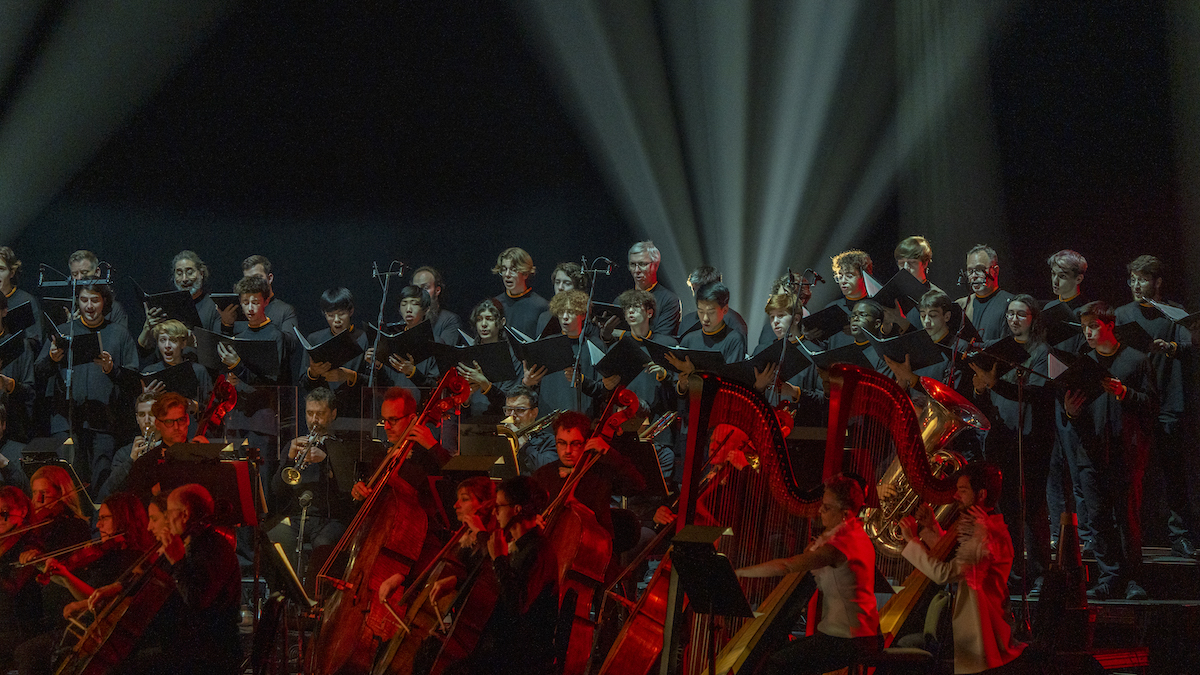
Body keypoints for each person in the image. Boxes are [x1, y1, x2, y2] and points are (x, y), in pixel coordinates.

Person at [735, 476, 881, 675]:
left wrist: (738, 573)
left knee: (776, 663)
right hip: (861, 635)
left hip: (847, 640)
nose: (820, 511)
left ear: (845, 514)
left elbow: (786, 566)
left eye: (827, 508)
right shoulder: (856, 534)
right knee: (779, 654)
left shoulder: (837, 548)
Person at [899, 462, 1028, 674]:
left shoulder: (984, 533)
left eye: (962, 490)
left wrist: (911, 540)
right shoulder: (984, 526)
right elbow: (961, 564)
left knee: (905, 646)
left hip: (980, 633)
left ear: (981, 494)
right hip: (971, 625)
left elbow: (945, 574)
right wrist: (932, 528)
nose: (955, 497)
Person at [1065, 302, 1156, 601]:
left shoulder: (1136, 360)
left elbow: (1152, 405)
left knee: (1127, 518)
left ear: (1110, 325)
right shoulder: (1084, 364)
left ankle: (1134, 579)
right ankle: (1109, 577)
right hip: (1090, 453)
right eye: (1084, 328)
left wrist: (1124, 392)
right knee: (1098, 518)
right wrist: (1071, 412)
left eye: (1093, 326)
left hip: (1125, 452)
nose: (1087, 333)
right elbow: (1076, 410)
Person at [967, 294, 1053, 595]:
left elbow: (1036, 393)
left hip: (1031, 439)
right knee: (1006, 508)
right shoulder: (998, 351)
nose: (1013, 319)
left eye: (1021, 314)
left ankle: (1041, 571)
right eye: (1010, 314)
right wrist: (981, 389)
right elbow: (987, 395)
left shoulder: (1043, 351)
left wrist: (994, 384)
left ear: (1033, 318)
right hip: (1001, 435)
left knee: (1031, 507)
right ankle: (1015, 570)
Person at [1114, 255, 1197, 560]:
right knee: (1129, 476)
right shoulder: (1122, 314)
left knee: (1173, 474)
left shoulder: (1174, 314)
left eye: (1143, 279)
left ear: (1158, 282)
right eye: (1132, 279)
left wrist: (1171, 347)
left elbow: (1191, 344)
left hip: (1167, 403)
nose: (1136, 285)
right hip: (1135, 403)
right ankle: (1130, 539)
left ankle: (1181, 536)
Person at [442, 475, 559, 675]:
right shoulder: (519, 546)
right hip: (500, 645)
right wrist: (457, 582)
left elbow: (517, 604)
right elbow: (496, 588)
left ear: (517, 510)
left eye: (499, 506)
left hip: (519, 657)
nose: (495, 512)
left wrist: (499, 559)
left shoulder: (538, 551)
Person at [35, 282, 138, 492]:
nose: (89, 306)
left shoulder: (118, 334)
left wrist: (112, 369)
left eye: (95, 300)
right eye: (84, 300)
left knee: (101, 478)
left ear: (104, 302)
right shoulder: (64, 332)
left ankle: (99, 523)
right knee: (68, 480)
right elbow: (38, 373)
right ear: (77, 302)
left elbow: (134, 382)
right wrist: (53, 359)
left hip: (104, 422)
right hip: (67, 420)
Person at [269, 387, 353, 587]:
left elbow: (349, 490)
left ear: (332, 414)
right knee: (273, 536)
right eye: (310, 413)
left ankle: (314, 599)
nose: (314, 420)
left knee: (323, 546)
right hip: (297, 517)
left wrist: (326, 461)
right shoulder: (295, 445)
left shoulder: (342, 447)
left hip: (330, 518)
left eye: (320, 414)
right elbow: (276, 490)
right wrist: (289, 459)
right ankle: (284, 594)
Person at [12, 466, 90, 671]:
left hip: (54, 609)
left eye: (44, 493)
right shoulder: (31, 526)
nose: (36, 499)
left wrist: (40, 556)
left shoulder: (74, 526)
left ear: (62, 493)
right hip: (28, 607)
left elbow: (63, 569)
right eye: (34, 493)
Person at [531, 411, 644, 537]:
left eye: (575, 444)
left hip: (597, 547)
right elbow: (527, 510)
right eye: (562, 443)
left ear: (587, 442)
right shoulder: (543, 475)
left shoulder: (600, 472)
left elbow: (637, 485)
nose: (568, 451)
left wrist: (609, 453)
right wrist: (531, 519)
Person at [300, 287, 371, 421]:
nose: (336, 320)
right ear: (324, 314)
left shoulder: (364, 338)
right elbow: (304, 384)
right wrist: (313, 373)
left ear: (351, 311)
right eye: (331, 315)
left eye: (341, 314)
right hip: (322, 414)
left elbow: (374, 384)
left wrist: (350, 376)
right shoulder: (315, 339)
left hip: (355, 413)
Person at [0, 487, 41, 670]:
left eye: (4, 513)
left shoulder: (30, 544)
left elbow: (12, 589)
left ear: (23, 511)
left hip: (17, 626)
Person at [141, 319, 213, 409]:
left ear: (183, 344)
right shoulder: (149, 372)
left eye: (173, 340)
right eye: (162, 340)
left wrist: (194, 406)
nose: (167, 345)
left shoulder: (198, 371)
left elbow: (210, 406)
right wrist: (147, 398)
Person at [102, 392, 157, 500]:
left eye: (151, 414)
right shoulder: (124, 453)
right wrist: (131, 460)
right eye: (142, 415)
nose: (146, 421)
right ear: (137, 418)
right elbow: (112, 487)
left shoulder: (169, 448)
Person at [956, 245, 1015, 343]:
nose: (974, 276)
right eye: (970, 271)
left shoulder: (1011, 304)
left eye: (979, 269)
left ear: (995, 271)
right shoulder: (961, 305)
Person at [0, 292, 35, 442]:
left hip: (13, 432)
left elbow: (31, 393)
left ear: (4, 311)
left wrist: (10, 385)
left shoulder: (19, 345)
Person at [234, 254, 298, 334]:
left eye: (257, 277)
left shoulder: (285, 310)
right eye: (248, 279)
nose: (253, 283)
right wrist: (226, 324)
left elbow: (290, 343)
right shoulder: (239, 309)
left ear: (270, 278)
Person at [492, 247, 549, 338]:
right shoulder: (495, 304)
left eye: (513, 270)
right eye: (504, 269)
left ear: (525, 273)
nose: (507, 274)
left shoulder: (541, 306)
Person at [627, 241, 681, 337]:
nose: (636, 270)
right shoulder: (621, 300)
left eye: (642, 264)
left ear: (655, 266)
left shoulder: (668, 300)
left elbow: (661, 338)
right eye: (632, 264)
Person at [679, 266, 747, 340]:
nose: (696, 296)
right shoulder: (687, 320)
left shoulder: (734, 323)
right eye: (694, 290)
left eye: (700, 292)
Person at [66, 250, 129, 330]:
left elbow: (121, 339)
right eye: (75, 274)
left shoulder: (114, 309)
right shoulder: (68, 305)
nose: (79, 278)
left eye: (84, 273)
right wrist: (69, 327)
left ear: (97, 272)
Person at [502, 385, 557, 476]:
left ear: (534, 413)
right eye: (508, 410)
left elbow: (548, 472)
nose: (512, 416)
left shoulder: (549, 441)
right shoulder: (500, 438)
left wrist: (524, 445)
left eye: (519, 410)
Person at [0, 247, 43, 354]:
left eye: (1, 269)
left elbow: (36, 341)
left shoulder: (25, 300)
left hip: (17, 363)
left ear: (12, 272)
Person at [412, 266, 464, 346]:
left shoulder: (450, 320)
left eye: (425, 288)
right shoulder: (407, 319)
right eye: (415, 289)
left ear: (437, 290)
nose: (419, 294)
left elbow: (445, 353)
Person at [535, 261, 589, 337]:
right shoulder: (544, 317)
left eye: (567, 283)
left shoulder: (586, 319)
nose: (560, 288)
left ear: (577, 288)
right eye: (557, 282)